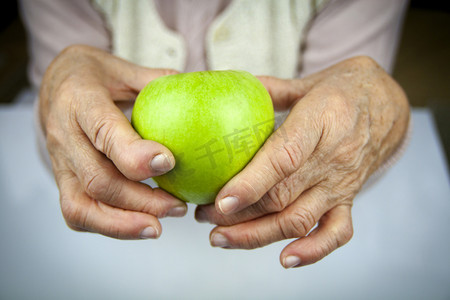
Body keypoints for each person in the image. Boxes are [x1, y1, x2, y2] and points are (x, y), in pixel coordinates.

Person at [19, 0, 411, 268]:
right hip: (120, 254)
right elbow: (64, 127)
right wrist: (59, 94)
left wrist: (377, 116)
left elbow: (346, 132)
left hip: (288, 246)